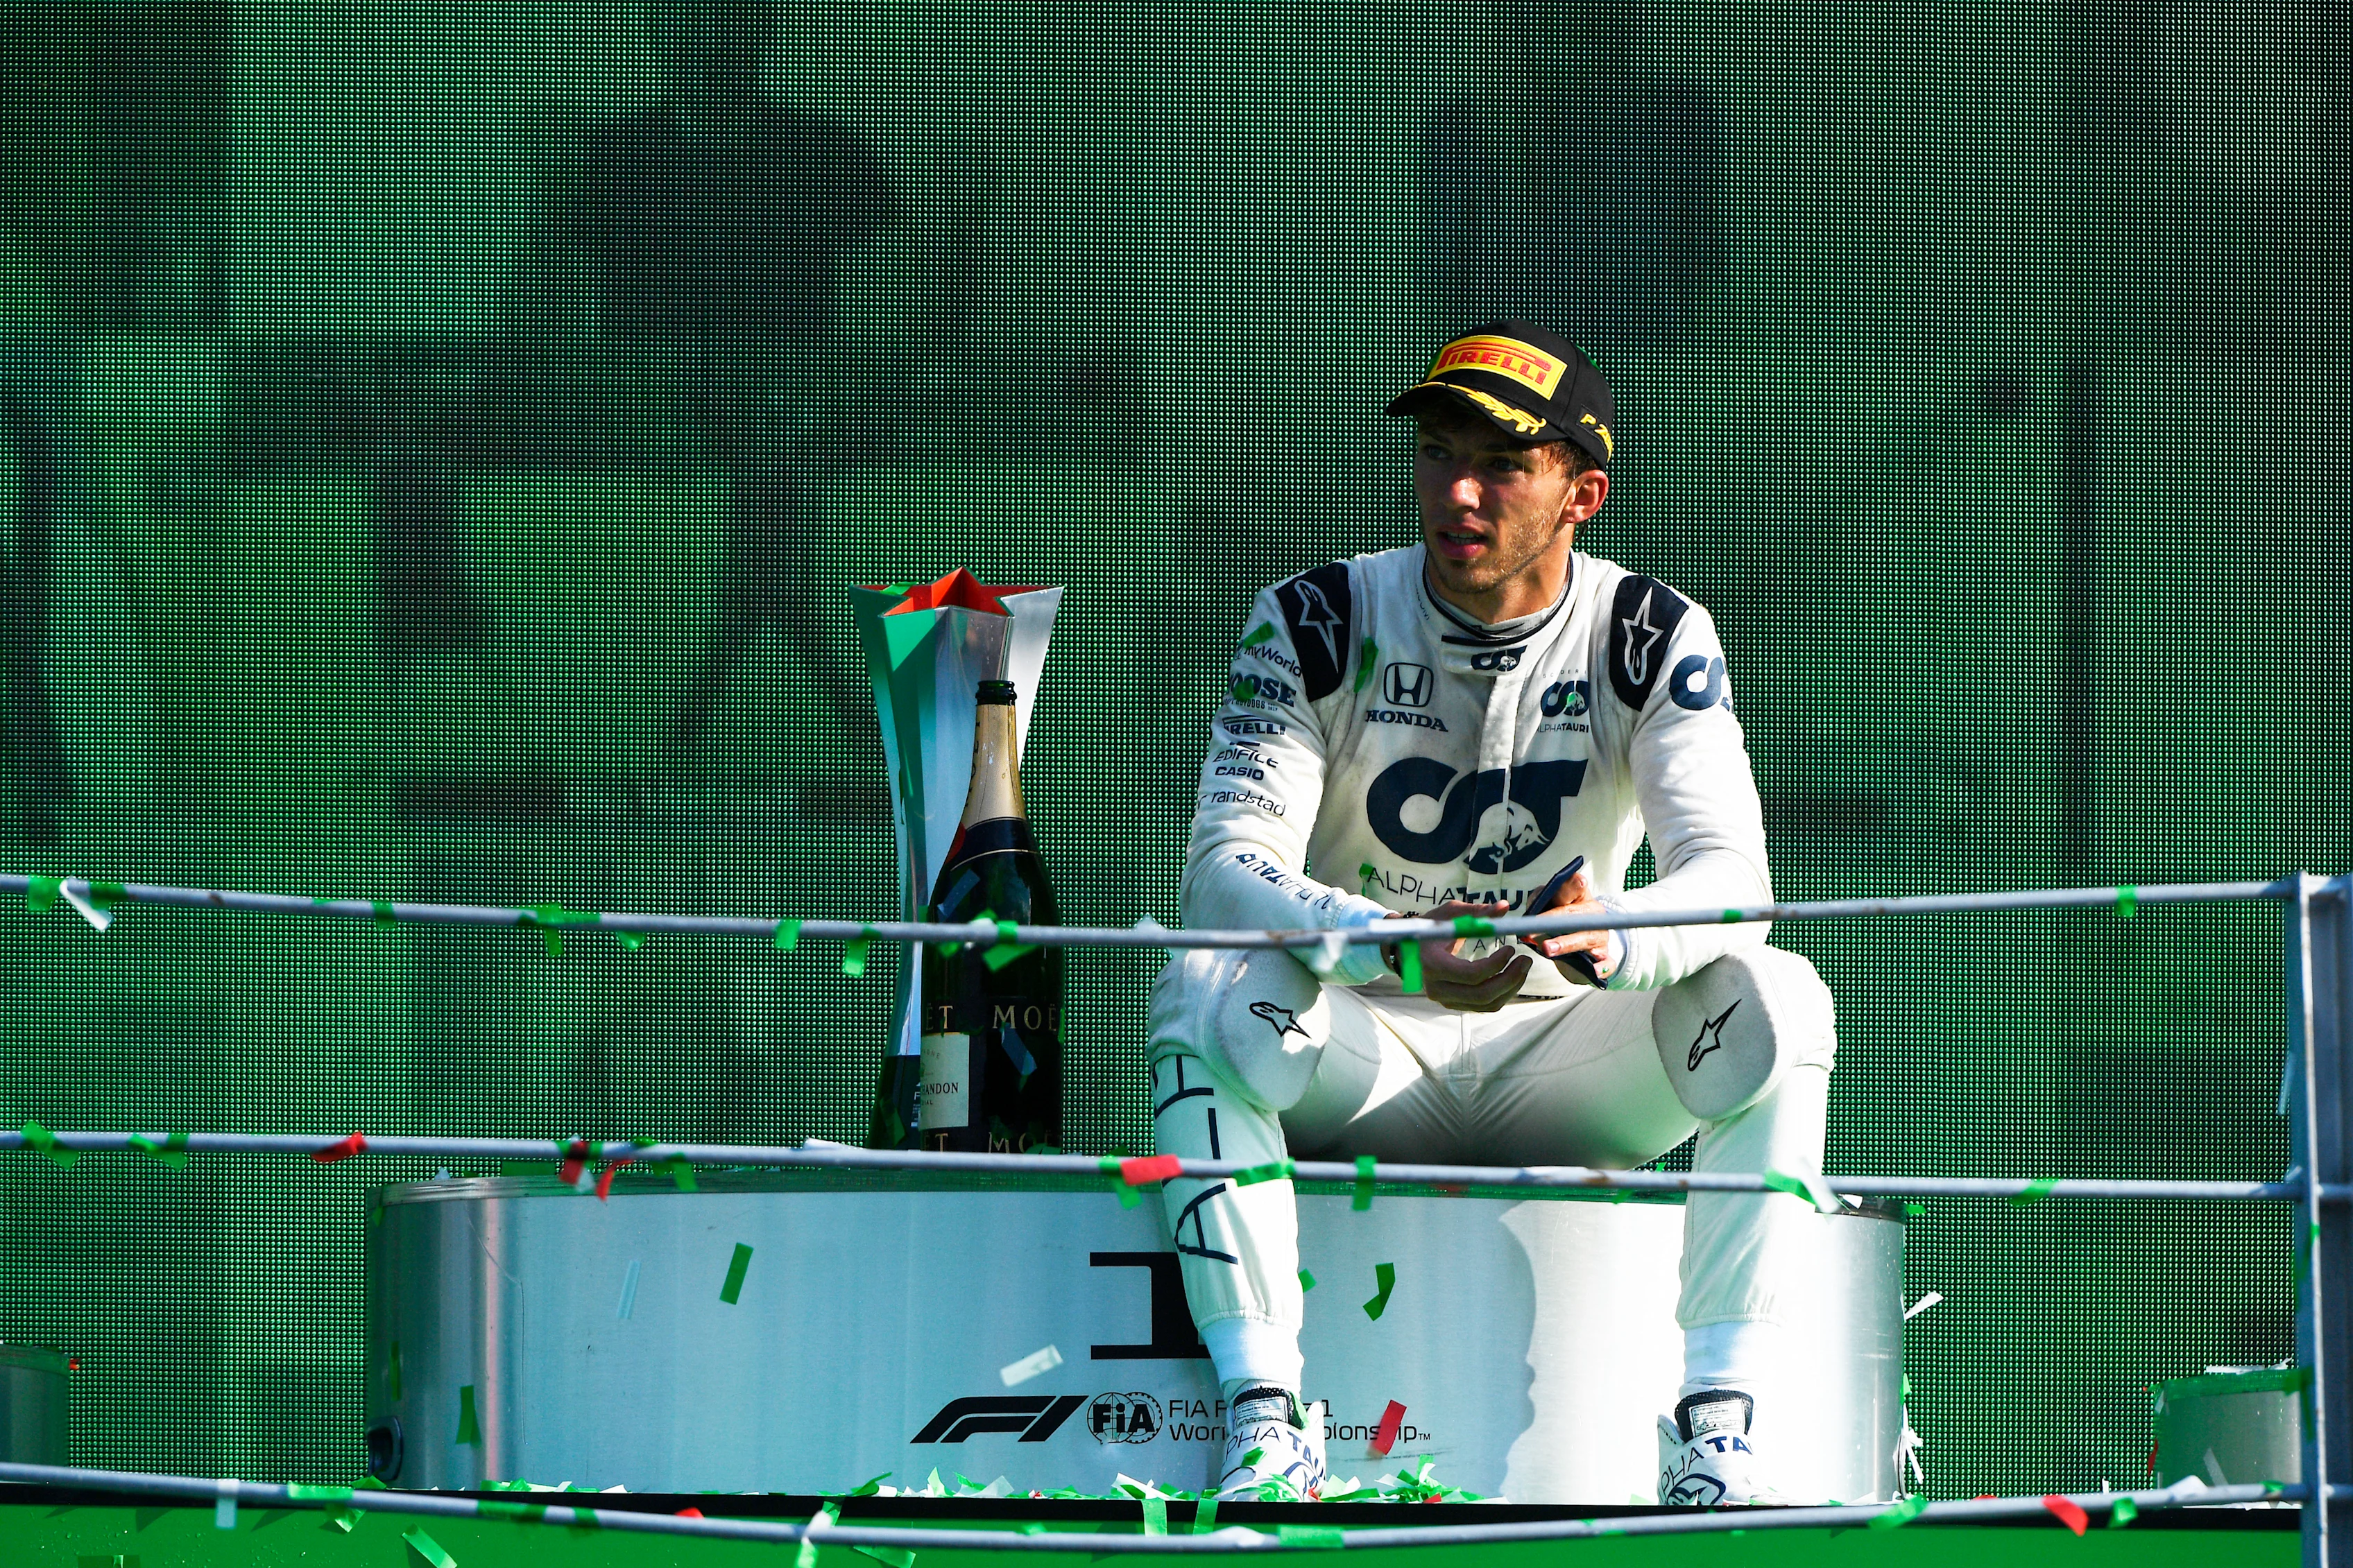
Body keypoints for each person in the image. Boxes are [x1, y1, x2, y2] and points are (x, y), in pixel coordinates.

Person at [1147, 320, 1838, 1506]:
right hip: (1363, 1050)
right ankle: (1265, 1424)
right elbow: (1224, 866)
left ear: (1585, 493)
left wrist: (1614, 937)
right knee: (1205, 987)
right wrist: (1390, 950)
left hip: (1569, 1062)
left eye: (1504, 464)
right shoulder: (1317, 617)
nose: (1457, 491)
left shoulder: (1651, 633)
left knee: (1780, 1001)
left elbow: (1735, 883)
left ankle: (1719, 1428)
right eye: (1437, 452)